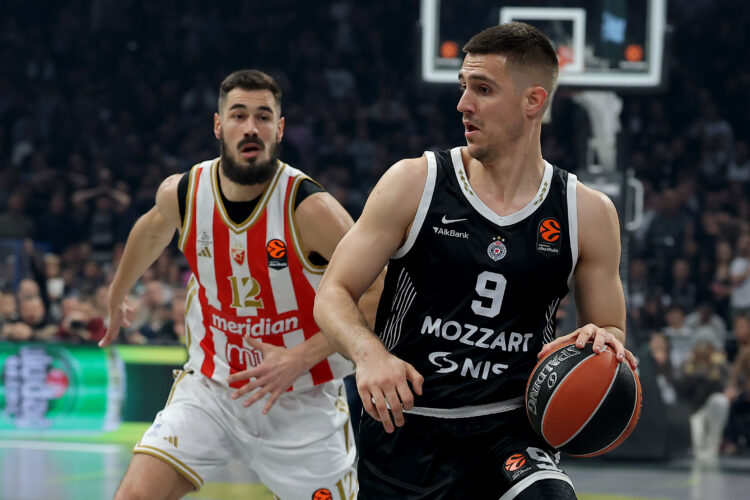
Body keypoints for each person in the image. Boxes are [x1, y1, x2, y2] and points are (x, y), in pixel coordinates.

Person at [314, 23, 637, 499]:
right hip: (407, 428)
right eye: (463, 87)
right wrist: (370, 355)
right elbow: (332, 294)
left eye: (483, 89)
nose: (463, 104)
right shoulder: (415, 183)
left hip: (510, 430)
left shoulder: (586, 212)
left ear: (533, 101)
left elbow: (610, 327)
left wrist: (603, 339)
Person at [99, 69, 379, 500]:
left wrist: (299, 357)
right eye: (238, 115)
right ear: (218, 125)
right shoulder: (184, 193)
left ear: (279, 129)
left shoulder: (310, 208)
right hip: (211, 390)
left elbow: (380, 292)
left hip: (301, 401)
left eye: (263, 117)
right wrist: (117, 295)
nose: (251, 127)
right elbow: (151, 231)